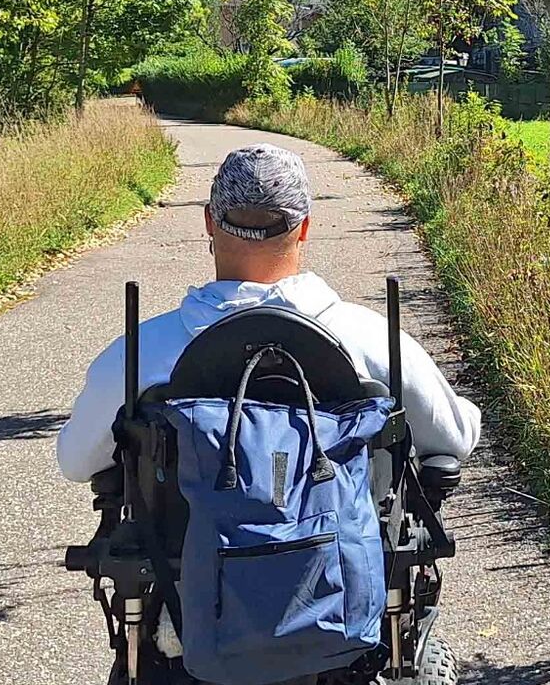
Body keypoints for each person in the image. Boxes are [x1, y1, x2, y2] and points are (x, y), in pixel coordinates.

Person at [55, 143, 479, 488]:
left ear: (209, 222)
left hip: (185, 564)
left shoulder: (139, 355)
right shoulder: (372, 341)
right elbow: (454, 439)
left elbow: (76, 463)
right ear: (304, 227)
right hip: (340, 562)